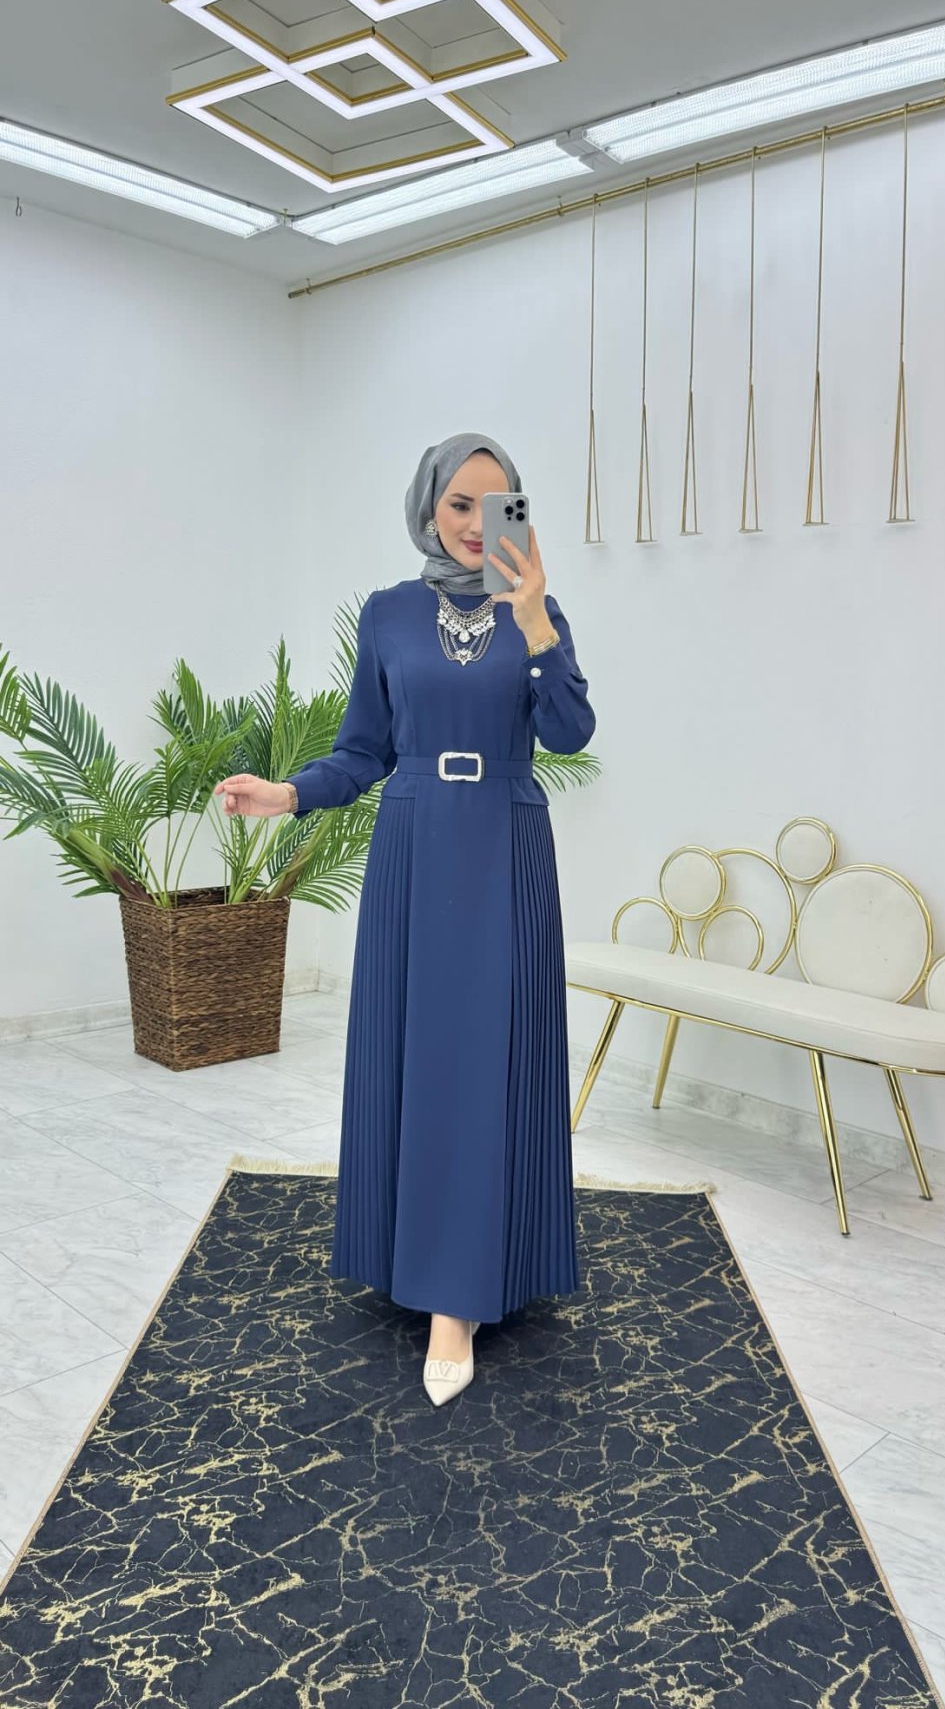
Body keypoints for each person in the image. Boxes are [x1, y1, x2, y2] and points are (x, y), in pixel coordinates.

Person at [214, 433, 596, 1406]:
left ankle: (463, 1292)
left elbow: (569, 732)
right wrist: (287, 794)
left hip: (505, 843)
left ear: (518, 515)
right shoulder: (388, 613)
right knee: (420, 1055)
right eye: (459, 503)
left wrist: (533, 616)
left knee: (486, 1056)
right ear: (429, 507)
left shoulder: (538, 611)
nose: (474, 524)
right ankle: (415, 1257)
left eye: (496, 506)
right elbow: (363, 750)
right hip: (415, 846)